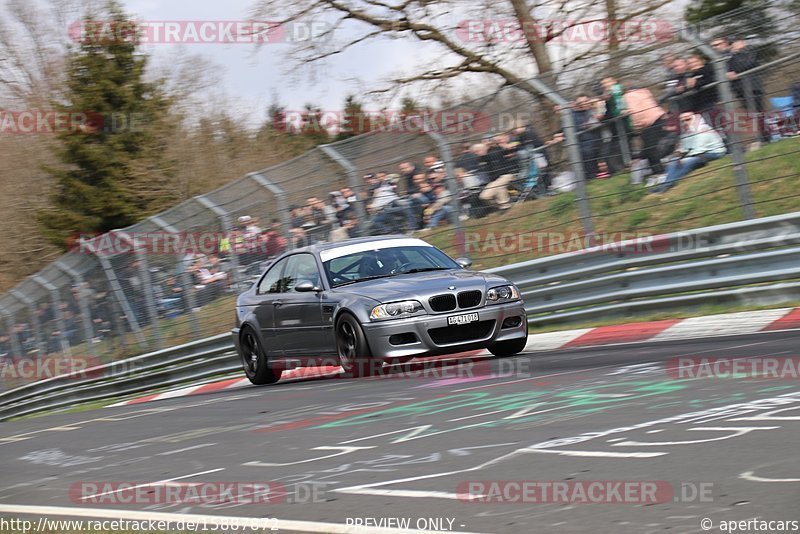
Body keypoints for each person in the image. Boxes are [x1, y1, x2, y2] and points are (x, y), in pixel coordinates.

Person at [650, 112, 727, 193]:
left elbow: (698, 151)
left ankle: (668, 185)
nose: (685, 123)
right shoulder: (687, 132)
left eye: (688, 119)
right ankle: (664, 185)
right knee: (673, 162)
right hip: (700, 153)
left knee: (688, 162)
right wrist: (677, 153)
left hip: (715, 152)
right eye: (683, 121)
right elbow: (683, 149)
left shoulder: (702, 130)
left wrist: (682, 159)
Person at [624, 85, 670, 175]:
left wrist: (637, 126)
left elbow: (635, 111)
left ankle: (659, 172)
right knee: (660, 143)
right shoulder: (644, 92)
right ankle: (663, 168)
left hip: (648, 123)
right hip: (659, 117)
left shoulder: (628, 96)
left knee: (650, 149)